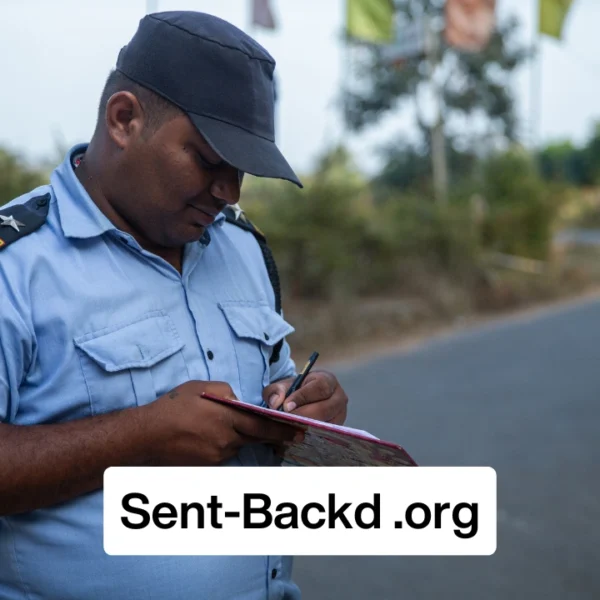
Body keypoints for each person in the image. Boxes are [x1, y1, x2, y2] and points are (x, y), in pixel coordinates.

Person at [0, 11, 348, 600]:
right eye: (209, 159)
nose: (229, 191)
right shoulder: (17, 266)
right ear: (124, 119)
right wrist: (140, 438)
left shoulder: (243, 248)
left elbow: (278, 383)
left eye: (241, 169)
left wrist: (306, 410)